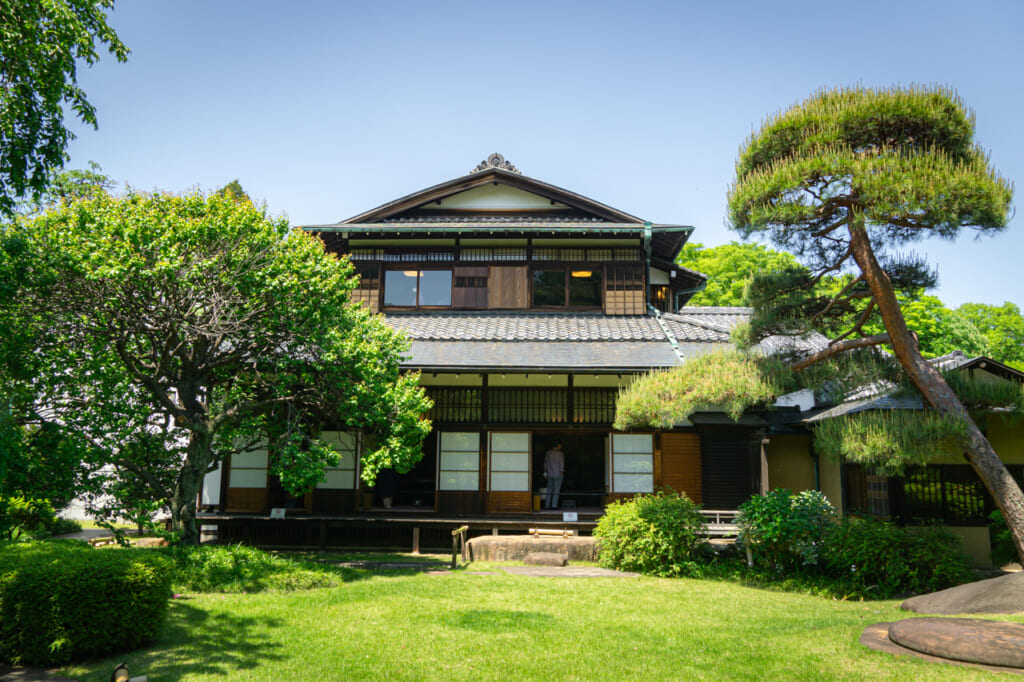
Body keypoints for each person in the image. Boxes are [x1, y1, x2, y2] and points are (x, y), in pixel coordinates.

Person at [543, 443, 564, 509]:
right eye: (560, 445)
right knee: (556, 490)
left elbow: (545, 463)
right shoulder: (560, 454)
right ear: (558, 445)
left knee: (549, 489)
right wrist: (562, 472)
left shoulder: (548, 453)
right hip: (558, 473)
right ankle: (554, 506)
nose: (561, 446)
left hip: (549, 473)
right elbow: (561, 464)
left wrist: (545, 471)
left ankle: (547, 505)